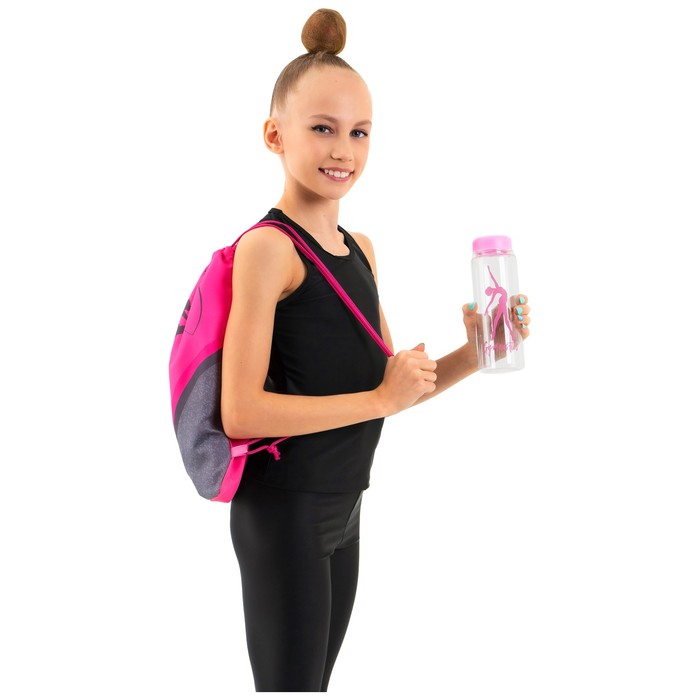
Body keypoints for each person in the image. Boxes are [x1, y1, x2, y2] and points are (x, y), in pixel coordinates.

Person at [220, 8, 531, 692]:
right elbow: (241, 411)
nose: (344, 150)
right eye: (322, 129)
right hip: (286, 512)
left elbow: (393, 388)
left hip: (345, 509)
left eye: (359, 132)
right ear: (275, 135)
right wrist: (382, 397)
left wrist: (476, 350)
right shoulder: (268, 249)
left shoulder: (359, 250)